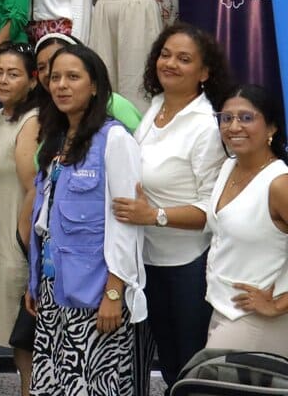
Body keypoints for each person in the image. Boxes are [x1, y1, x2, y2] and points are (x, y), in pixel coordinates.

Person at [111, 23, 230, 386]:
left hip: (187, 266)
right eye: (165, 55)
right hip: (147, 259)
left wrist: (155, 216)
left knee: (190, 366)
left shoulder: (206, 126)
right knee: (168, 363)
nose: (170, 64)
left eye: (184, 59)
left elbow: (213, 211)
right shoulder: (156, 108)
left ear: (205, 72)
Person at [26, 43, 148, 396]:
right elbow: (44, 221)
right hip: (53, 286)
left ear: (94, 86)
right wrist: (34, 282)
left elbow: (126, 223)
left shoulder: (115, 139)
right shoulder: (56, 138)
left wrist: (114, 290)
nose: (61, 85)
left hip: (95, 290)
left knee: (95, 386)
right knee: (54, 383)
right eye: (55, 77)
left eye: (73, 77)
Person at [204, 84, 288, 357]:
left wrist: (279, 305)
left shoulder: (279, 184)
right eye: (226, 118)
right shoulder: (230, 166)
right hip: (222, 308)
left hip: (257, 319)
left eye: (246, 118)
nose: (234, 126)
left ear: (272, 128)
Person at [0, 42, 40, 394]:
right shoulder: (1, 115)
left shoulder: (32, 120)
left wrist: (22, 243)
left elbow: (33, 189)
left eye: (13, 74)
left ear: (32, 81)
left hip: (14, 244)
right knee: (19, 341)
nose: (2, 80)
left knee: (26, 340)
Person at [34, 33, 142, 134]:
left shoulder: (114, 105)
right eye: (41, 67)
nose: (48, 72)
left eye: (73, 76)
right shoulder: (51, 112)